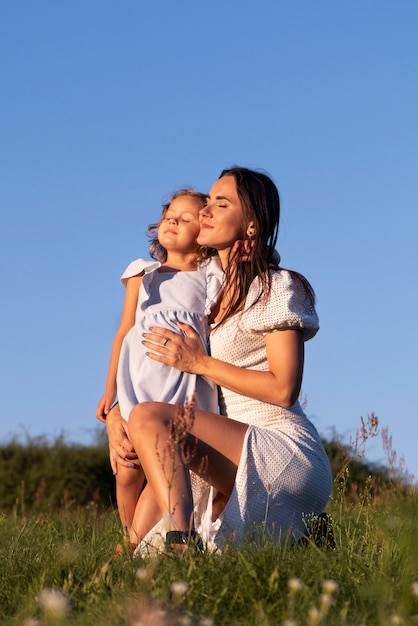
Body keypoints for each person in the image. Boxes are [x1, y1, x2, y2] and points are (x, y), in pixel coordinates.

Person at [104, 166, 333, 553]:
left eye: (220, 204)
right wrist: (115, 413)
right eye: (207, 202)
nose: (206, 211)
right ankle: (305, 537)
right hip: (223, 442)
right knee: (142, 553)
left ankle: (183, 542)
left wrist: (200, 363)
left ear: (250, 226)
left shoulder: (278, 285)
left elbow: (283, 389)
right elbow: (142, 352)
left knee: (150, 420)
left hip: (279, 445)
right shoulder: (205, 294)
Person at [96, 189, 223, 549]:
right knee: (127, 468)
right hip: (139, 382)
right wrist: (110, 392)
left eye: (187, 219)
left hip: (182, 385)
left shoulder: (211, 275)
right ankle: (129, 537)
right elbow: (123, 330)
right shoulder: (143, 273)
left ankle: (137, 547)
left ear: (205, 235)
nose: (174, 221)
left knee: (164, 460)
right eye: (170, 215)